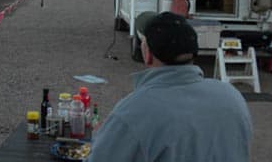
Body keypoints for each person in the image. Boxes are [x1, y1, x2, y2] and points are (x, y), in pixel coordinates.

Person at [88, 11, 252, 162]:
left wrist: (112, 133)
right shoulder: (232, 98)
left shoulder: (133, 113)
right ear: (194, 50)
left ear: (148, 54)